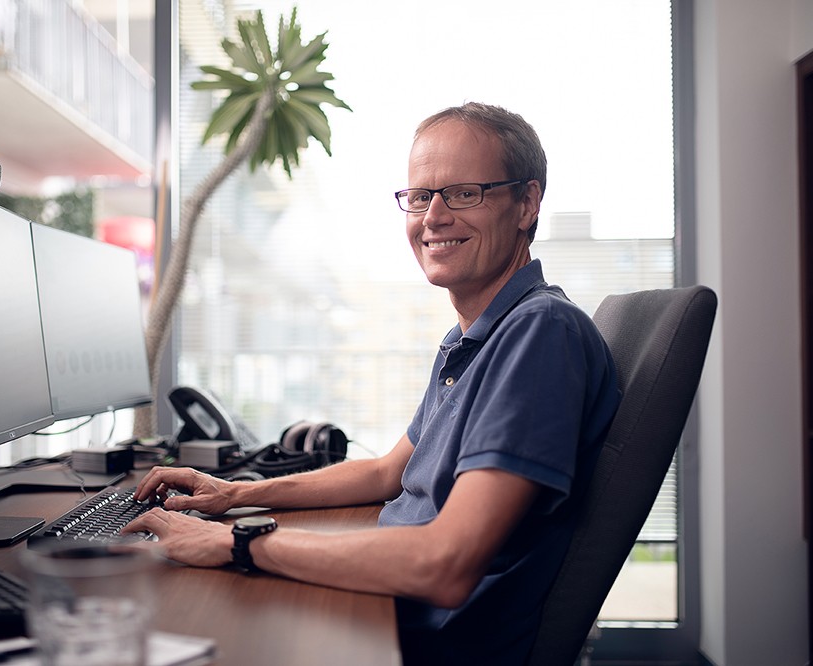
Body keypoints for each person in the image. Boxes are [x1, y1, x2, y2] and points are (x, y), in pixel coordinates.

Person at [123, 102, 621, 665]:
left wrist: (235, 541)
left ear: (527, 203)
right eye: (420, 195)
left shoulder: (539, 334)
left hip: (424, 641)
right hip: (390, 606)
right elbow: (389, 471)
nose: (433, 216)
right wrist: (234, 494)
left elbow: (446, 565)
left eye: (463, 193)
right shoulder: (478, 337)